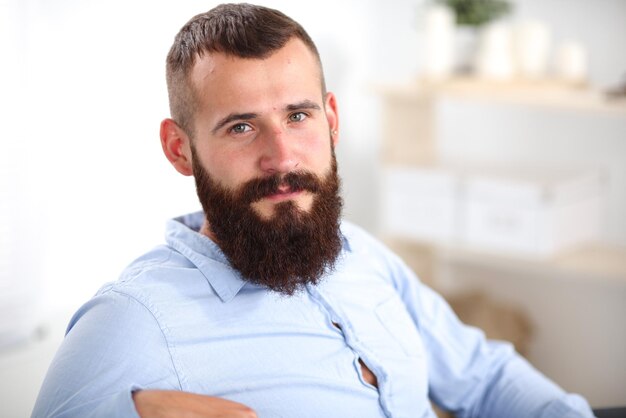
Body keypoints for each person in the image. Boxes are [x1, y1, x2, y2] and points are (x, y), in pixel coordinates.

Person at [32, 4, 595, 418]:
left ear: (331, 119)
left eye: (298, 116)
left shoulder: (364, 255)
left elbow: (486, 378)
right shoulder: (132, 322)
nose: (281, 157)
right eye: (242, 126)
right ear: (180, 149)